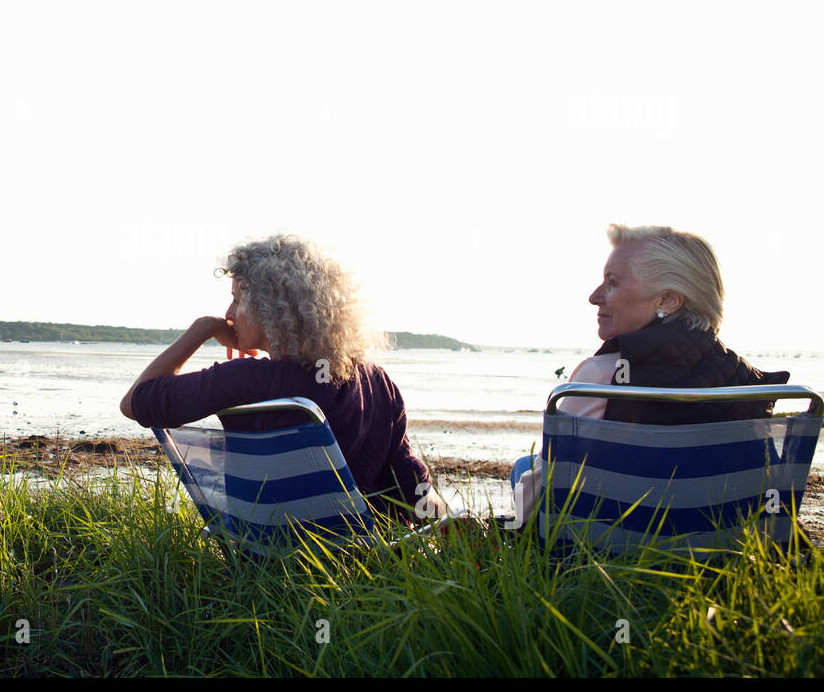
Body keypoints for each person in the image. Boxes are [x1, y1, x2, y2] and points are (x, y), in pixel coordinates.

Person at [120, 233, 445, 523]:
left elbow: (135, 402)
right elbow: (415, 495)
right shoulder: (378, 383)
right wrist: (449, 520)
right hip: (357, 559)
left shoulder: (250, 380)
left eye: (237, 299)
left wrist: (201, 329)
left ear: (269, 306)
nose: (229, 315)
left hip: (261, 555)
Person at [511, 223, 789, 514]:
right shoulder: (746, 384)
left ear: (667, 300)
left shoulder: (601, 377)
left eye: (613, 282)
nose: (594, 296)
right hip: (716, 548)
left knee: (524, 468)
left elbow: (543, 498)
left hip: (609, 544)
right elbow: (762, 495)